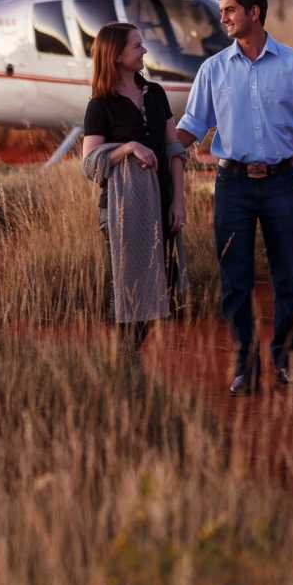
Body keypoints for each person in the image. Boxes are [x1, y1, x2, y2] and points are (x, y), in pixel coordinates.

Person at [176, 0, 293, 395]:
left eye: (230, 10)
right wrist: (155, 146)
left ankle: (286, 362)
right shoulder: (213, 70)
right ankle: (245, 367)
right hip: (233, 186)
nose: (223, 18)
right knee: (235, 280)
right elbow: (192, 126)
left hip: (282, 183)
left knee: (286, 278)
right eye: (222, 11)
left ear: (254, 12)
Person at [80, 23, 188, 352]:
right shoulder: (100, 104)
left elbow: (174, 149)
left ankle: (130, 359)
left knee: (164, 289)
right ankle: (124, 363)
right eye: (137, 46)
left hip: (163, 204)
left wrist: (178, 201)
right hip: (122, 211)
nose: (144, 50)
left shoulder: (155, 93)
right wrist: (128, 148)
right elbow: (90, 163)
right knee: (128, 292)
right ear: (116, 55)